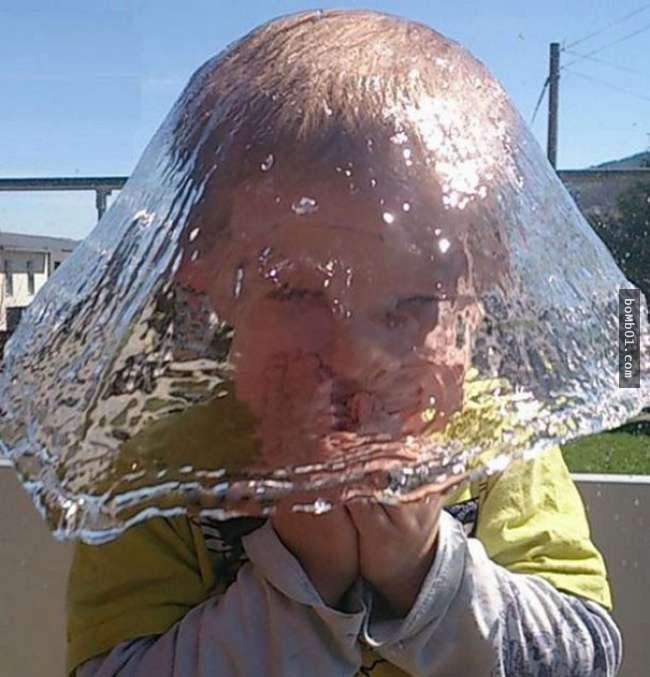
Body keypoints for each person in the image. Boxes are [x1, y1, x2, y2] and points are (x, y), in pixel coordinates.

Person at [66, 10, 622, 676]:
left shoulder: (495, 444)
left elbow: (585, 657)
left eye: (414, 302)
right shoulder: (166, 474)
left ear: (484, 283)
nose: (357, 359)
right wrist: (305, 578)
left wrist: (425, 575)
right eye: (296, 293)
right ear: (206, 277)